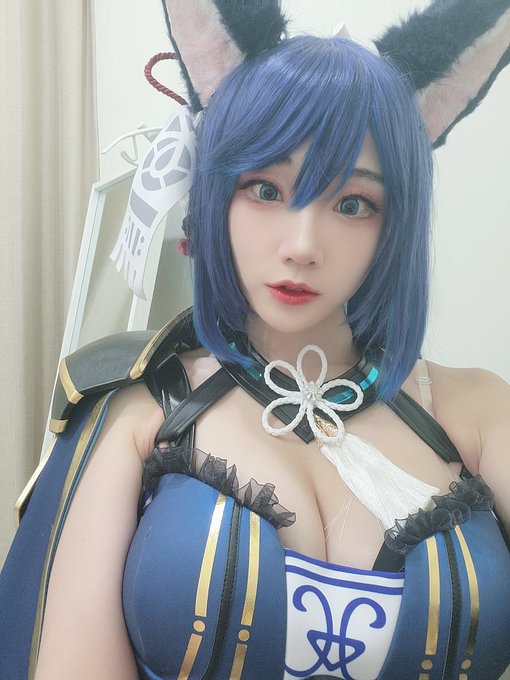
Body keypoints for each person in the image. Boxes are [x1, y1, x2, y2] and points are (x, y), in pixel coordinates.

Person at [2, 33, 510, 680]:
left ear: (396, 223)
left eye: (352, 203)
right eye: (266, 190)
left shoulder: (477, 413)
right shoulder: (143, 412)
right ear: (216, 192)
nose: (302, 245)